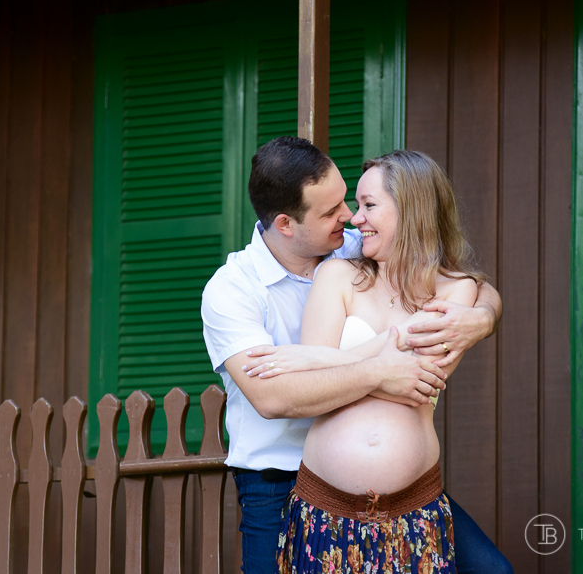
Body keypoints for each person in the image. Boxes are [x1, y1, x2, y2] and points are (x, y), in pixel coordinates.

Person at [201, 137, 511, 573]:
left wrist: (484, 315)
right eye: (332, 212)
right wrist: (382, 367)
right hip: (277, 480)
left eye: (349, 202)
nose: (349, 218)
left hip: (401, 489)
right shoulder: (231, 290)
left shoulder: (352, 248)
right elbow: (274, 398)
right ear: (287, 224)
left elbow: (462, 281)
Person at [277, 149, 494, 572]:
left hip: (415, 514)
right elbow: (313, 388)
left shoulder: (458, 292)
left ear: (411, 209)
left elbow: (420, 377)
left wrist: (322, 360)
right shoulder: (337, 276)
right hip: (324, 509)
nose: (356, 219)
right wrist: (373, 369)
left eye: (369, 205)